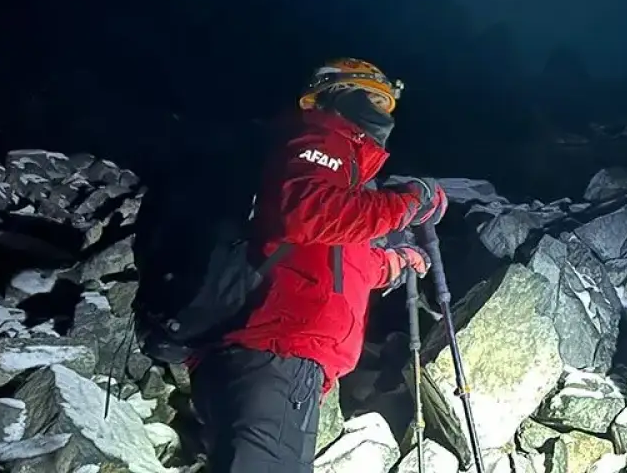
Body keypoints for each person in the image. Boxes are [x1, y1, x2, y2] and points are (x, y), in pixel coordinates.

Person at [189, 59, 448, 473]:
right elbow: (307, 213)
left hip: (278, 359)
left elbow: (330, 256)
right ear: (341, 95)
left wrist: (393, 263)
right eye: (374, 99)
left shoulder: (333, 162)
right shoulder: (320, 136)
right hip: (275, 351)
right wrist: (408, 203)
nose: (381, 112)